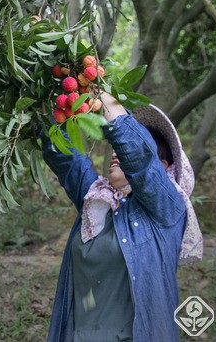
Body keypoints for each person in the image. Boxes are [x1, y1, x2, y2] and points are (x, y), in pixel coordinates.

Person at [40, 92, 202, 342]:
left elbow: (139, 158)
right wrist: (40, 98)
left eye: (124, 152)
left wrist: (100, 92)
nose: (117, 154)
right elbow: (64, 156)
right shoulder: (97, 201)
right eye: (116, 150)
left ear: (162, 167)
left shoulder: (167, 207)